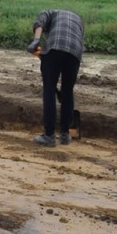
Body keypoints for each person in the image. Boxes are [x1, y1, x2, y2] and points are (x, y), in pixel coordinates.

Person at [27, 8, 85, 146]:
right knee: (67, 91)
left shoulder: (49, 13)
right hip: (75, 52)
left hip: (54, 47)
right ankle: (65, 134)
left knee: (49, 90)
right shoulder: (78, 20)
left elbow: (40, 22)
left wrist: (36, 40)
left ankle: (49, 136)